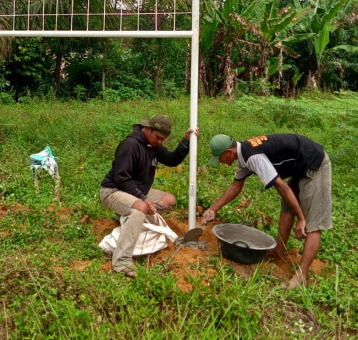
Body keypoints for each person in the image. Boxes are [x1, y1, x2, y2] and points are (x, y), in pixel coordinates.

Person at [203, 133, 332, 288]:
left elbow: (282, 186)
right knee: (287, 207)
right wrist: (213, 209)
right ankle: (279, 251)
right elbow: (236, 186)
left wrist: (301, 218)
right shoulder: (243, 154)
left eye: (219, 158)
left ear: (229, 152)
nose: (220, 163)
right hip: (298, 166)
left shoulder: (253, 157)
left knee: (313, 223)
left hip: (314, 164)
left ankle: (301, 276)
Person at [100, 114, 198, 277]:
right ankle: (121, 261)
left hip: (137, 191)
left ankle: (128, 218)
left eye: (163, 140)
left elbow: (172, 160)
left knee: (169, 200)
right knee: (139, 210)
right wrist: (142, 199)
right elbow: (121, 178)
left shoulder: (153, 145)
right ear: (149, 129)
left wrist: (186, 141)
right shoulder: (130, 145)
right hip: (114, 191)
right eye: (158, 138)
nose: (160, 143)